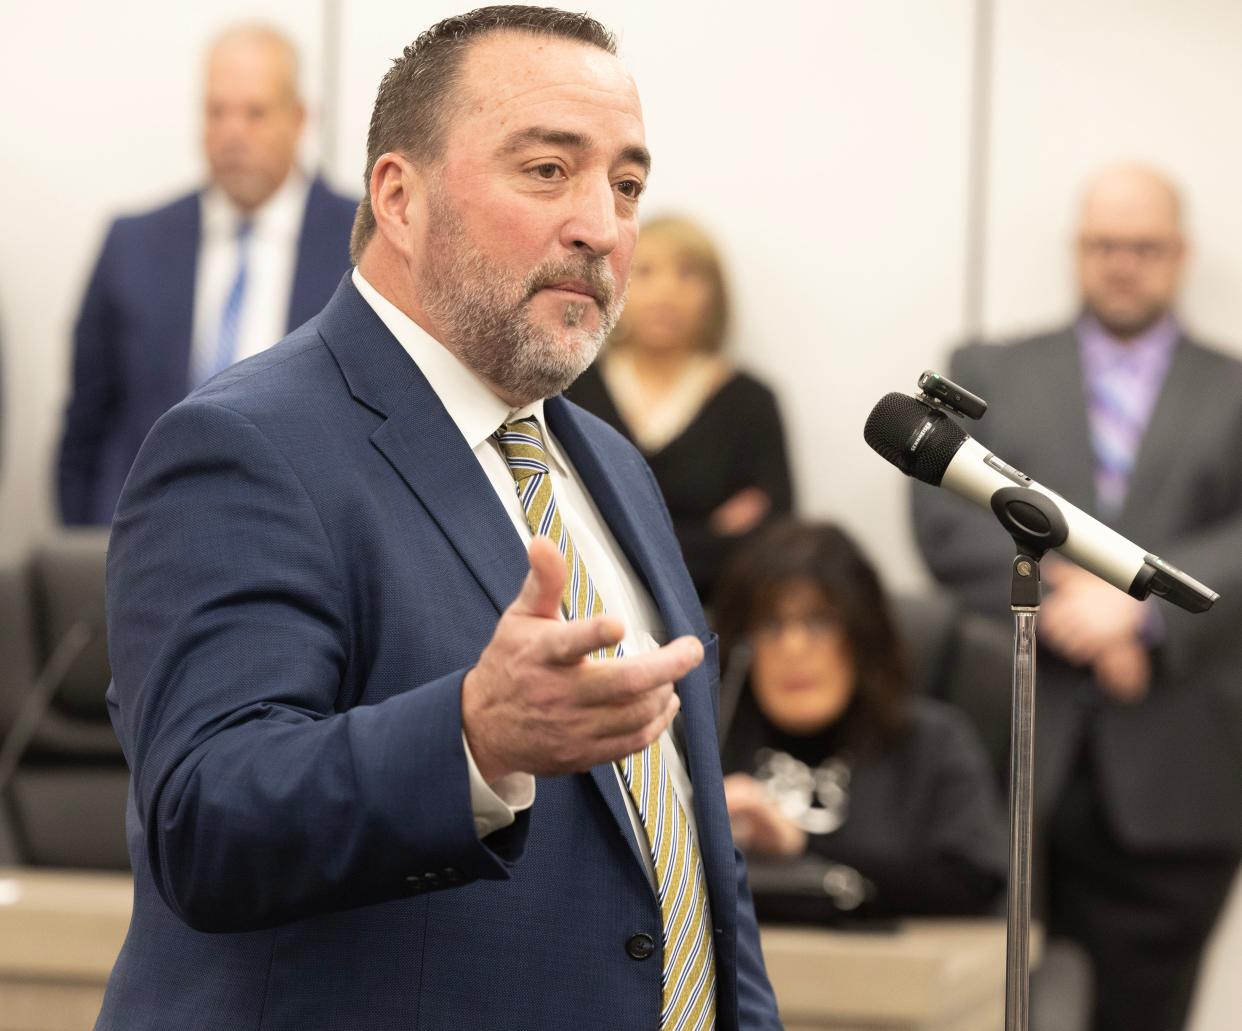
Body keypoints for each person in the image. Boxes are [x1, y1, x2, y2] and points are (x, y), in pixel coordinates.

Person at [96, 8, 781, 1030]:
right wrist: (472, 737)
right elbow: (206, 817)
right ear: (400, 197)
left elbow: (690, 855)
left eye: (627, 185)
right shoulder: (244, 446)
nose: (601, 224)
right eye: (549, 170)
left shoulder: (610, 468)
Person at [912, 162, 1242, 1031]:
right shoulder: (990, 366)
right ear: (1077, 250)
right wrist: (1080, 607)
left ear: (1181, 254)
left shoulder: (1234, 386)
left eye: (1144, 246)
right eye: (1104, 244)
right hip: (1011, 747)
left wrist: (1144, 615)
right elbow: (945, 518)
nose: (1122, 263)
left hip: (1178, 767)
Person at [57, 24, 356, 526]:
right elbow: (84, 428)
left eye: (255, 112)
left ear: (300, 118)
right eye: (216, 111)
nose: (233, 132)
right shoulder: (133, 245)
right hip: (147, 537)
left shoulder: (361, 245)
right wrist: (91, 553)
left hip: (304, 539)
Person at [716, 520, 1007, 920]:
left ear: (862, 634)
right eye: (771, 624)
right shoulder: (713, 737)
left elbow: (975, 883)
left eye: (818, 622)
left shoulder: (932, 743)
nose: (793, 648)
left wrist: (800, 851)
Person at [564, 216, 793, 605]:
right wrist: (712, 532)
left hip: (713, 615)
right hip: (588, 607)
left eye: (688, 274)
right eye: (646, 271)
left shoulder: (750, 401)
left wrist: (621, 537)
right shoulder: (569, 388)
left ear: (715, 294)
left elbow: (770, 542)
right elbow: (561, 526)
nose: (666, 293)